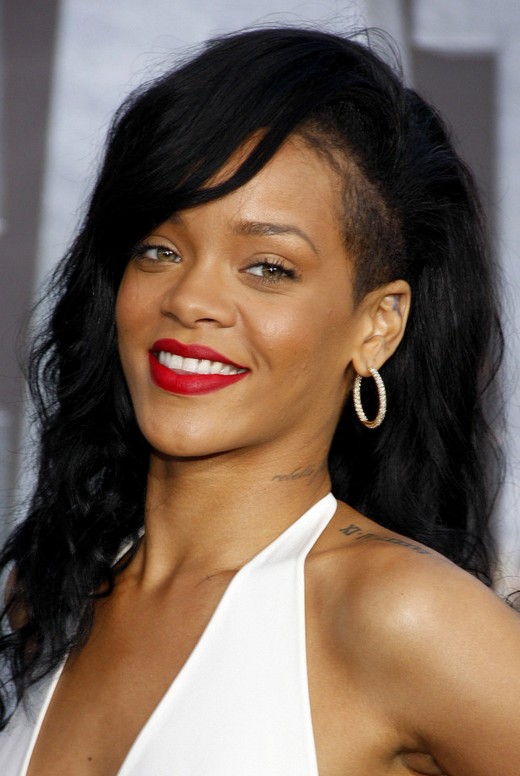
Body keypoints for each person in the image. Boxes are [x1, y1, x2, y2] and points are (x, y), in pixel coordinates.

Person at [0, 25, 519, 776]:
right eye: (160, 250)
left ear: (377, 326)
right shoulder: (50, 593)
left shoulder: (403, 616)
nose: (191, 299)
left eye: (269, 267)